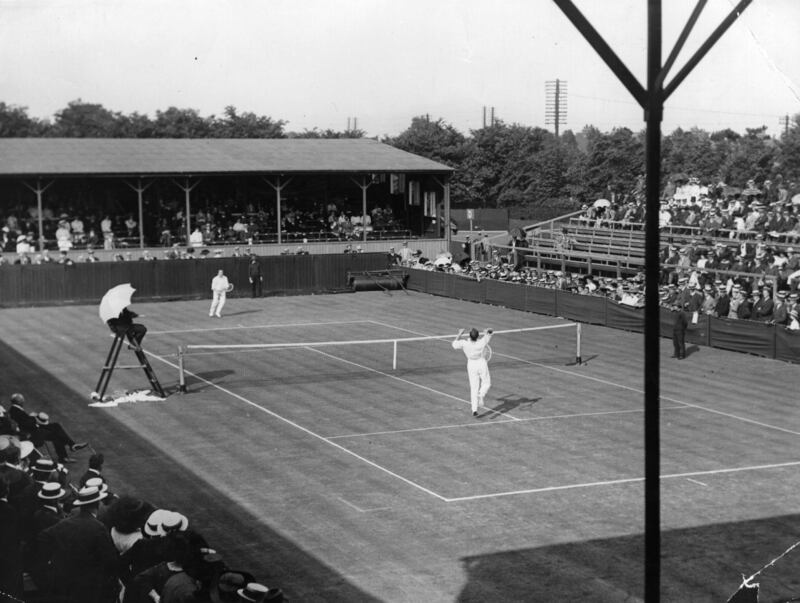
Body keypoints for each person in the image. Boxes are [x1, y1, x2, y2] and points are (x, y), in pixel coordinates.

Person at [451, 327, 493, 417]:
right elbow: (490, 332)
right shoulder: (481, 342)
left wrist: (459, 334)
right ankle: (481, 394)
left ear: (470, 336)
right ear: (477, 336)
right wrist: (486, 332)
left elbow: (454, 344)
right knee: (487, 383)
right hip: (481, 363)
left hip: (471, 365)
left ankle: (474, 410)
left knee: (474, 388)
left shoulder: (464, 343)